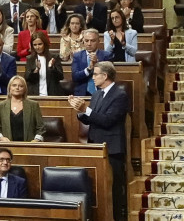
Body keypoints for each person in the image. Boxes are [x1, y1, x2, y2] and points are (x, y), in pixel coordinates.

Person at [68, 61, 128, 221]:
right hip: (94, 146)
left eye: (95, 74)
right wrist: (79, 112)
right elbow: (90, 119)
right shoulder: (97, 94)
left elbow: (108, 120)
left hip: (112, 150)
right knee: (98, 188)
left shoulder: (120, 95)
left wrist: (85, 109)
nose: (93, 77)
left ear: (105, 75)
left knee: (114, 189)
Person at [0, 76, 45, 142]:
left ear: (25, 89)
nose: (17, 88)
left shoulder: (33, 105)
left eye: (21, 86)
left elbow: (41, 127)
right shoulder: (1, 105)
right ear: (9, 88)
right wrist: (1, 138)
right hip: (7, 145)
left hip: (29, 146)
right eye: (14, 85)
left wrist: (36, 140)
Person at [71, 28, 114, 96]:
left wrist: (97, 63)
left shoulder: (106, 56)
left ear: (98, 41)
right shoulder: (77, 56)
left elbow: (110, 76)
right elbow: (75, 77)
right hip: (82, 94)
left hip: (101, 93)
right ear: (83, 41)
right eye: (86, 41)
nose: (89, 44)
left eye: (92, 41)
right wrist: (89, 69)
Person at [25, 32, 64, 96]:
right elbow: (27, 78)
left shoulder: (54, 57)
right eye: (35, 45)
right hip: (35, 94)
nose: (37, 47)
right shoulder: (30, 59)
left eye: (40, 44)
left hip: (52, 94)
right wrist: (36, 70)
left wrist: (52, 68)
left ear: (45, 44)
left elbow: (60, 77)